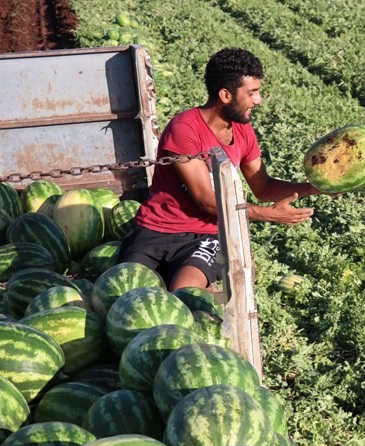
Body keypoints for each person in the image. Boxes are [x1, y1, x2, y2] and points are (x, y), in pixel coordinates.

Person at [117, 47, 325, 290]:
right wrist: (266, 214)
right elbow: (206, 201)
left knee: (185, 292)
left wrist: (316, 188)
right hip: (156, 228)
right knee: (126, 293)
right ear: (226, 95)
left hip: (209, 235)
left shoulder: (242, 129)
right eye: (252, 93)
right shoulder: (185, 129)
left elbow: (264, 187)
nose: (258, 100)